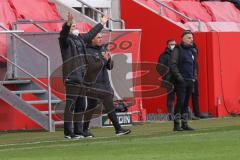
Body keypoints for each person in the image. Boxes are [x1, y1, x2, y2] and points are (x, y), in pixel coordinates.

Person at [59, 12, 108, 139]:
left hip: (82, 77)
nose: (75, 27)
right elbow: (63, 33)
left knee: (81, 105)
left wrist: (102, 23)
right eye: (73, 26)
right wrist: (68, 23)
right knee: (71, 104)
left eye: (75, 25)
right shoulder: (65, 40)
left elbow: (91, 34)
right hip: (72, 76)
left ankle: (78, 131)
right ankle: (68, 132)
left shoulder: (79, 39)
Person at [80, 33, 131, 137]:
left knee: (104, 105)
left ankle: (85, 130)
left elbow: (109, 67)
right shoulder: (88, 51)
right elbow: (94, 67)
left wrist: (109, 59)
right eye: (98, 37)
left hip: (104, 83)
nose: (100, 39)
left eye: (101, 37)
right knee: (92, 106)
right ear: (92, 39)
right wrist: (104, 59)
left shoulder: (103, 49)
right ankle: (117, 129)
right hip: (93, 84)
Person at [170, 30, 198, 131]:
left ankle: (185, 123)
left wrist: (194, 77)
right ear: (183, 38)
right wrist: (179, 78)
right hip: (181, 81)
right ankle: (176, 124)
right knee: (180, 102)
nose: (191, 40)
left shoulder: (193, 50)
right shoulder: (177, 49)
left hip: (190, 80)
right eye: (189, 38)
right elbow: (172, 64)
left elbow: (194, 66)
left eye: (192, 38)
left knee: (186, 103)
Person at [156, 39, 176, 120]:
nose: (173, 45)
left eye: (174, 44)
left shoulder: (178, 54)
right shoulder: (163, 56)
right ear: (167, 45)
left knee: (182, 97)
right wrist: (166, 75)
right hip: (169, 79)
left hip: (179, 79)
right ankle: (171, 115)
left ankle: (182, 114)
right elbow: (159, 67)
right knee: (171, 97)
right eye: (171, 44)